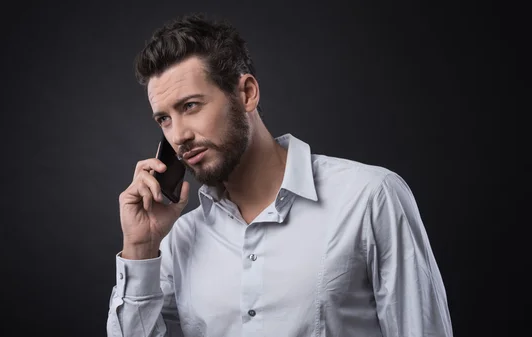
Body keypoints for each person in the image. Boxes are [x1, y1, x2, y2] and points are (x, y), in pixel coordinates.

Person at [106, 13, 453, 337]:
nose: (178, 135)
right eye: (164, 119)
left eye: (190, 106)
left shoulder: (370, 197)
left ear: (246, 93)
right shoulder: (181, 238)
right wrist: (141, 246)